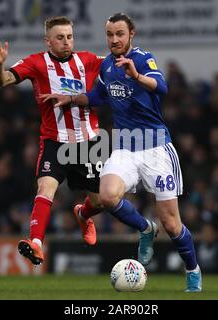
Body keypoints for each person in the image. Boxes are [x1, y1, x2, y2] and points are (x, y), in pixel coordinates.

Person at [41, 13, 202, 292]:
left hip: (155, 148)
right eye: (110, 35)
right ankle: (145, 229)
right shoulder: (106, 66)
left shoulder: (142, 59)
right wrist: (72, 98)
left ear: (131, 35)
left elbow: (161, 87)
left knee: (172, 224)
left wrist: (136, 75)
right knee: (107, 195)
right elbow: (98, 97)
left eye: (119, 34)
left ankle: (192, 270)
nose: (114, 39)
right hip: (125, 146)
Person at [0, 16, 157, 266]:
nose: (66, 42)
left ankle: (83, 213)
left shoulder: (88, 60)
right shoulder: (36, 63)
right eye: (60, 37)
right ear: (48, 41)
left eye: (69, 37)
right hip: (54, 142)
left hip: (89, 143)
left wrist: (141, 68)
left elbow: (117, 64)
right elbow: (2, 81)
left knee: (101, 201)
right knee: (46, 187)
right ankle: (36, 242)